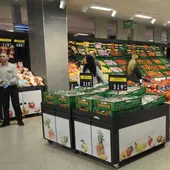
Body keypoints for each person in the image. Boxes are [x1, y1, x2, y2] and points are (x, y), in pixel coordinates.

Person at [0, 52, 24, 127]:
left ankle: (19, 120)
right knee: (5, 105)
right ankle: (6, 121)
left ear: (7, 58)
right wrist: (1, 82)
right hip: (2, 87)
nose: (1, 58)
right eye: (0, 56)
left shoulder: (12, 66)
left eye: (3, 56)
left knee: (16, 104)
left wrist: (8, 83)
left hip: (12, 87)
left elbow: (15, 77)